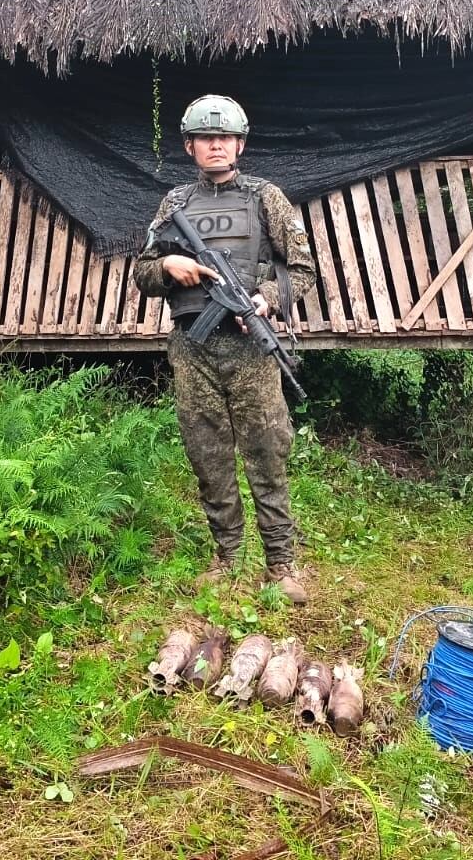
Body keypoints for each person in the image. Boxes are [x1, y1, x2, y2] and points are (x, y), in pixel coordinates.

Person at [133, 95, 317, 605]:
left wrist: (264, 298)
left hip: (251, 349)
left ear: (239, 144)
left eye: (226, 138)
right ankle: (226, 558)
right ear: (190, 146)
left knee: (268, 451)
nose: (216, 145)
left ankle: (281, 563)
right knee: (206, 452)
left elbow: (302, 270)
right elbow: (142, 271)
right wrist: (170, 266)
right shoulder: (174, 205)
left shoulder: (266, 198)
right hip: (193, 349)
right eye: (206, 138)